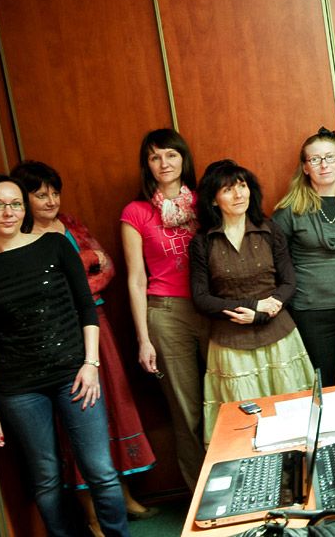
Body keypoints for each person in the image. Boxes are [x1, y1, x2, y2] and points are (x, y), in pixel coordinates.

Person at [0, 175, 129, 537]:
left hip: (75, 375)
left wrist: (91, 364)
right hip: (18, 388)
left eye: (16, 204)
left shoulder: (54, 245)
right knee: (47, 479)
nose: (8, 212)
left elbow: (86, 308)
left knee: (100, 470)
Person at [11, 161, 157, 532]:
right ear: (24, 200)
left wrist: (79, 282)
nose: (50, 201)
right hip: (60, 335)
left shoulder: (70, 224)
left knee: (112, 406)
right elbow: (54, 286)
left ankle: (123, 495)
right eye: (40, 194)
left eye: (54, 192)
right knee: (77, 415)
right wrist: (83, 272)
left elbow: (107, 268)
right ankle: (92, 515)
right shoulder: (22, 238)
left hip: (98, 325)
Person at [190, 160, 315, 443]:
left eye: (242, 186)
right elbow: (201, 299)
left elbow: (289, 283)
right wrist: (253, 306)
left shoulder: (269, 229)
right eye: (228, 189)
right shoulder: (202, 242)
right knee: (245, 429)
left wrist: (262, 313)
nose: (238, 195)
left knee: (292, 418)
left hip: (279, 338)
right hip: (231, 344)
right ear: (213, 199)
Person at [120, 128, 208, 491]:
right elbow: (136, 279)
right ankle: (201, 496)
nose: (164, 163)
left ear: (183, 158)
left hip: (213, 309)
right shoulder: (136, 212)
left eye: (171, 154)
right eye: (155, 157)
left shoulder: (205, 201)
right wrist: (143, 340)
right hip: (167, 313)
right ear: (147, 165)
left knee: (226, 400)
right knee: (187, 412)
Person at [273, 127, 335, 387]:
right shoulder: (289, 211)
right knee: (326, 381)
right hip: (311, 310)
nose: (324, 165)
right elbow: (277, 263)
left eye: (330, 157)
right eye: (315, 159)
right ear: (305, 167)